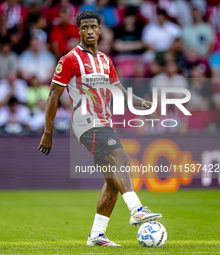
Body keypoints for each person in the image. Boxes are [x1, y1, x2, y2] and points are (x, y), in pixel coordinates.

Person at [38, 10, 162, 247]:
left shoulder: (105, 60)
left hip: (105, 123)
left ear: (100, 29)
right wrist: (48, 132)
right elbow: (53, 95)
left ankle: (97, 234)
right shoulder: (69, 60)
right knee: (122, 159)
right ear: (79, 30)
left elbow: (119, 92)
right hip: (86, 124)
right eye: (84, 27)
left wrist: (143, 104)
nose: (89, 31)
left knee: (112, 183)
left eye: (93, 27)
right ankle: (136, 209)